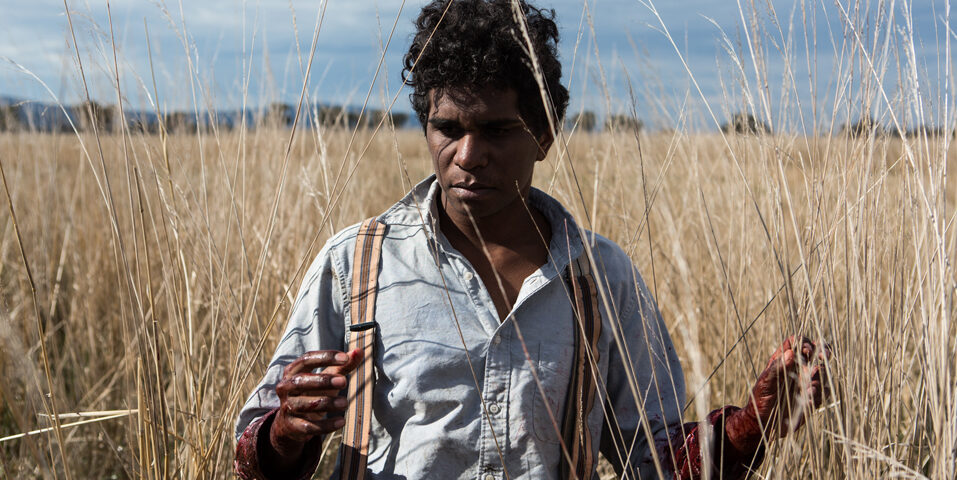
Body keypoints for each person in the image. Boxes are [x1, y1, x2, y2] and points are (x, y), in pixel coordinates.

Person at [234, 1, 831, 479]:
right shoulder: (356, 265)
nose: (467, 156)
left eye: (496, 130)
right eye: (447, 128)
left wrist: (754, 425)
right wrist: (290, 426)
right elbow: (256, 453)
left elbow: (658, 461)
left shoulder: (601, 279)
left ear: (544, 134)